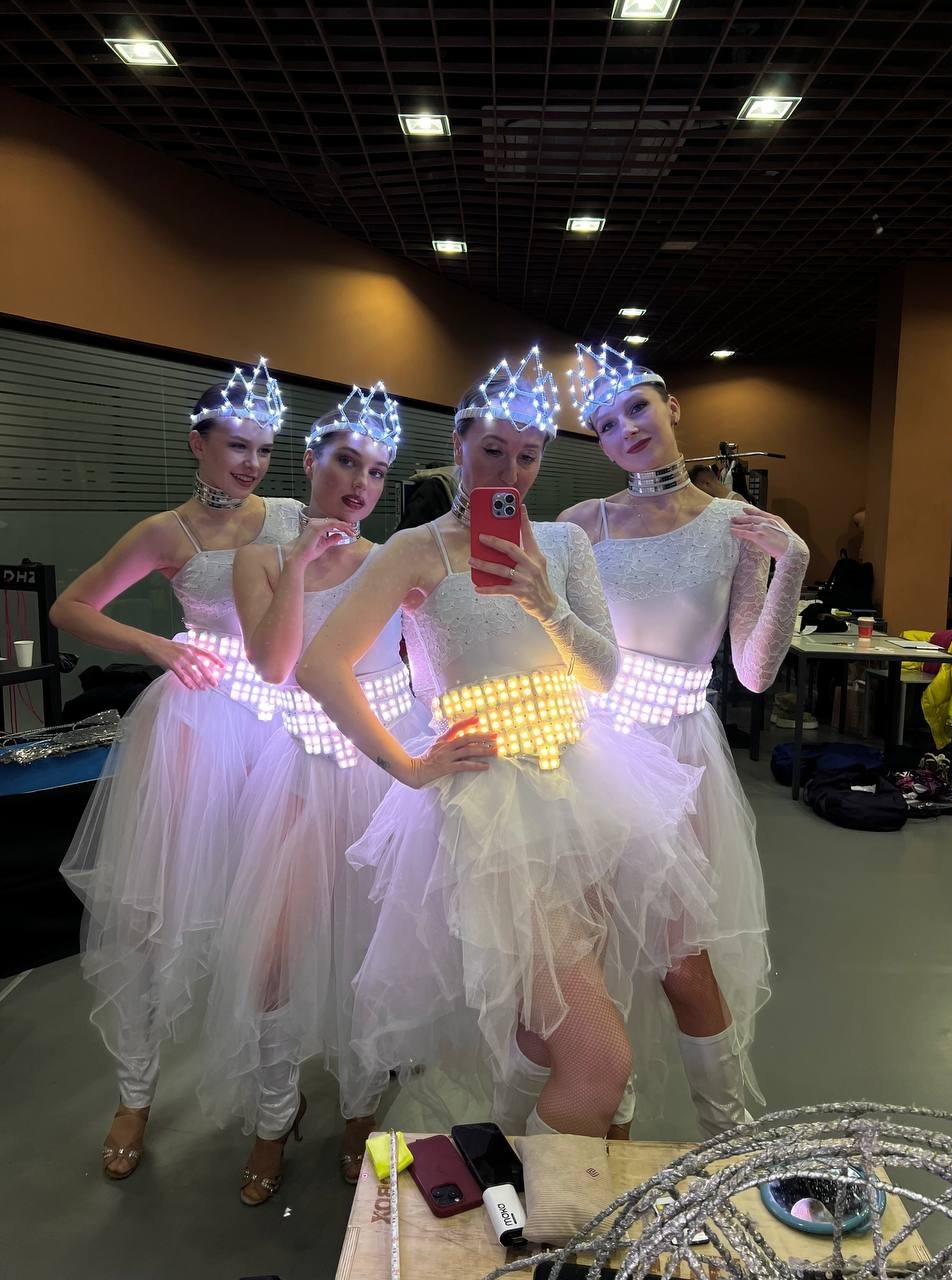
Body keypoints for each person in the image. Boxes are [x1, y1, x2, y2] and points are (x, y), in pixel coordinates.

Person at [296, 348, 711, 1139]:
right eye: (492, 450)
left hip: (584, 789)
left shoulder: (563, 544)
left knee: (546, 1028)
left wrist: (546, 603)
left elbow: (602, 675)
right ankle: (546, 1208)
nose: (510, 472)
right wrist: (407, 767)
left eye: (527, 455)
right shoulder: (416, 550)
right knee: (600, 1061)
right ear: (458, 446)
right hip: (492, 810)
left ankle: (506, 1170)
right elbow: (321, 666)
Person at [54, 359, 301, 1179]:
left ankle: (276, 1109)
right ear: (197, 443)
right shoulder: (168, 532)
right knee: (153, 925)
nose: (251, 463)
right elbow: (70, 606)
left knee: (272, 933)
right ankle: (135, 1093)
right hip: (195, 726)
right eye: (236, 446)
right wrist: (157, 645)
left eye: (263, 449)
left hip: (282, 726)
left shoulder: (290, 516)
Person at [560, 345, 809, 1138]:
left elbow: (755, 673)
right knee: (592, 964)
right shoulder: (581, 524)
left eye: (636, 407)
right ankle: (611, 1134)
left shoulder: (734, 526)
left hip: (677, 757)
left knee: (682, 963)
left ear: (672, 409)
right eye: (606, 424)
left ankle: (726, 1140)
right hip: (590, 753)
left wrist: (793, 565)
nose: (626, 429)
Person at [198, 386, 430, 1203]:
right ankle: (274, 1115)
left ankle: (361, 1114)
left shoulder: (391, 561)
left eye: (377, 471)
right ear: (309, 462)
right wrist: (300, 562)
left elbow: (426, 661)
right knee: (272, 962)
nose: (361, 484)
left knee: (371, 957)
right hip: (302, 778)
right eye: (346, 463)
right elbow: (273, 666)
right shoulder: (259, 558)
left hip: (383, 776)